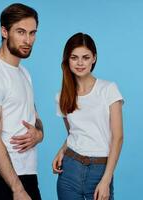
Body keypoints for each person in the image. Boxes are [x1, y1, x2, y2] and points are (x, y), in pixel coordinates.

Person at [0, 3, 43, 200]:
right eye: (21, 32)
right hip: (5, 178)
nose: (28, 40)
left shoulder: (23, 73)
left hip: (26, 172)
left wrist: (38, 134)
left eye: (32, 33)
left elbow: (34, 117)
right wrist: (17, 189)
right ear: (4, 31)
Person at [52, 32, 124, 200]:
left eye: (85, 57)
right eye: (74, 57)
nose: (79, 63)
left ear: (94, 58)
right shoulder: (62, 95)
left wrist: (106, 180)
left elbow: (118, 138)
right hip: (69, 169)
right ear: (67, 60)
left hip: (100, 171)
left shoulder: (108, 89)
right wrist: (62, 151)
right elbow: (74, 133)